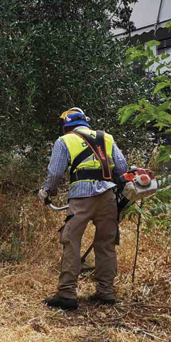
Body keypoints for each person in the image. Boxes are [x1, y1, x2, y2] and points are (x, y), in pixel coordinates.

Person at [38, 108, 129, 311]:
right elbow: (122, 168)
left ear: (66, 125)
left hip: (81, 197)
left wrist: (46, 191)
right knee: (106, 243)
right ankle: (106, 292)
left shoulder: (65, 141)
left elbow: (55, 173)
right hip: (108, 197)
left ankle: (67, 294)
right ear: (85, 123)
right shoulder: (106, 137)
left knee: (71, 241)